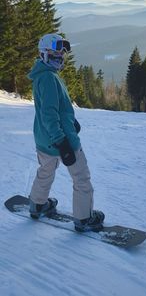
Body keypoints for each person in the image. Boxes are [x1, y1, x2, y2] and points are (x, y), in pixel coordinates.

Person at [28, 33, 104, 232]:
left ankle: (37, 204)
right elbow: (49, 114)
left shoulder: (43, 75)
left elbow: (54, 108)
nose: (60, 56)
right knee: (81, 177)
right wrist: (62, 141)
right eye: (55, 52)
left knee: (45, 172)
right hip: (61, 139)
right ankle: (84, 218)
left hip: (44, 140)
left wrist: (71, 121)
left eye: (62, 53)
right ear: (43, 53)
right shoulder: (48, 78)